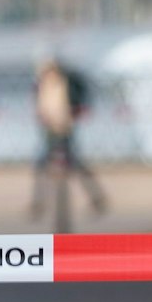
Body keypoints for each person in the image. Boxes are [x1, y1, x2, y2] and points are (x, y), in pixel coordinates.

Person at [29, 54, 106, 218]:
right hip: (50, 129)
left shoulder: (63, 84)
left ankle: (96, 196)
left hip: (65, 127)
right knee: (43, 164)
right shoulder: (43, 85)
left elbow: (71, 102)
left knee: (72, 163)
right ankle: (39, 201)